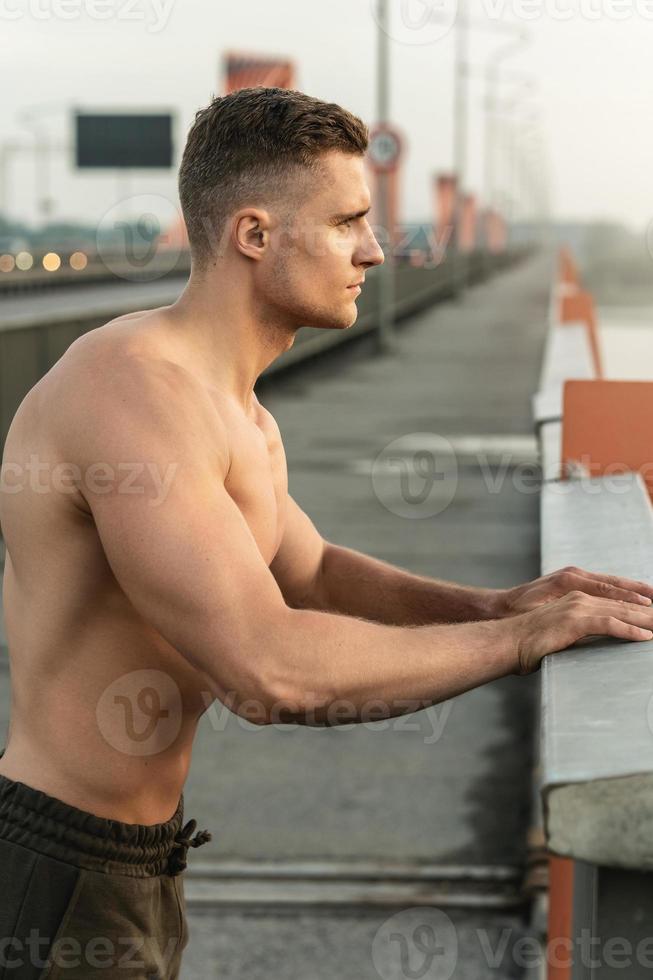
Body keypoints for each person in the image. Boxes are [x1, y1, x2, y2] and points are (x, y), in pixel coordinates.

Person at [1, 86, 652, 978]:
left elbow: (308, 571)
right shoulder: (132, 394)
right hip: (61, 868)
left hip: (137, 857)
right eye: (347, 221)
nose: (374, 251)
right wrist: (517, 639)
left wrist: (498, 601)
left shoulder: (235, 409)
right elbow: (268, 670)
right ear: (255, 235)